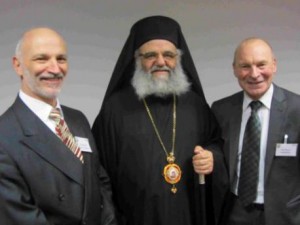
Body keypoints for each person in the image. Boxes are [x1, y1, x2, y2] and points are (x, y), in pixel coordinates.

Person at [92, 16, 228, 225]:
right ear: (137, 59)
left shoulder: (196, 106)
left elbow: (217, 144)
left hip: (188, 216)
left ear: (178, 59)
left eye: (168, 55)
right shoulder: (115, 109)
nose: (161, 62)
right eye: (150, 56)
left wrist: (212, 157)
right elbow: (98, 173)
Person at [0, 27, 117, 225]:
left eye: (61, 59)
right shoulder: (4, 136)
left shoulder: (77, 119)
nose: (55, 69)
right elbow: (19, 217)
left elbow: (99, 183)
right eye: (42, 59)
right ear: (18, 65)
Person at [210, 37, 300, 225]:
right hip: (235, 213)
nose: (254, 74)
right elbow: (216, 149)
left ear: (274, 65)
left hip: (285, 215)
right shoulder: (221, 109)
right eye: (245, 66)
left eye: (261, 65)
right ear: (234, 68)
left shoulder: (297, 109)